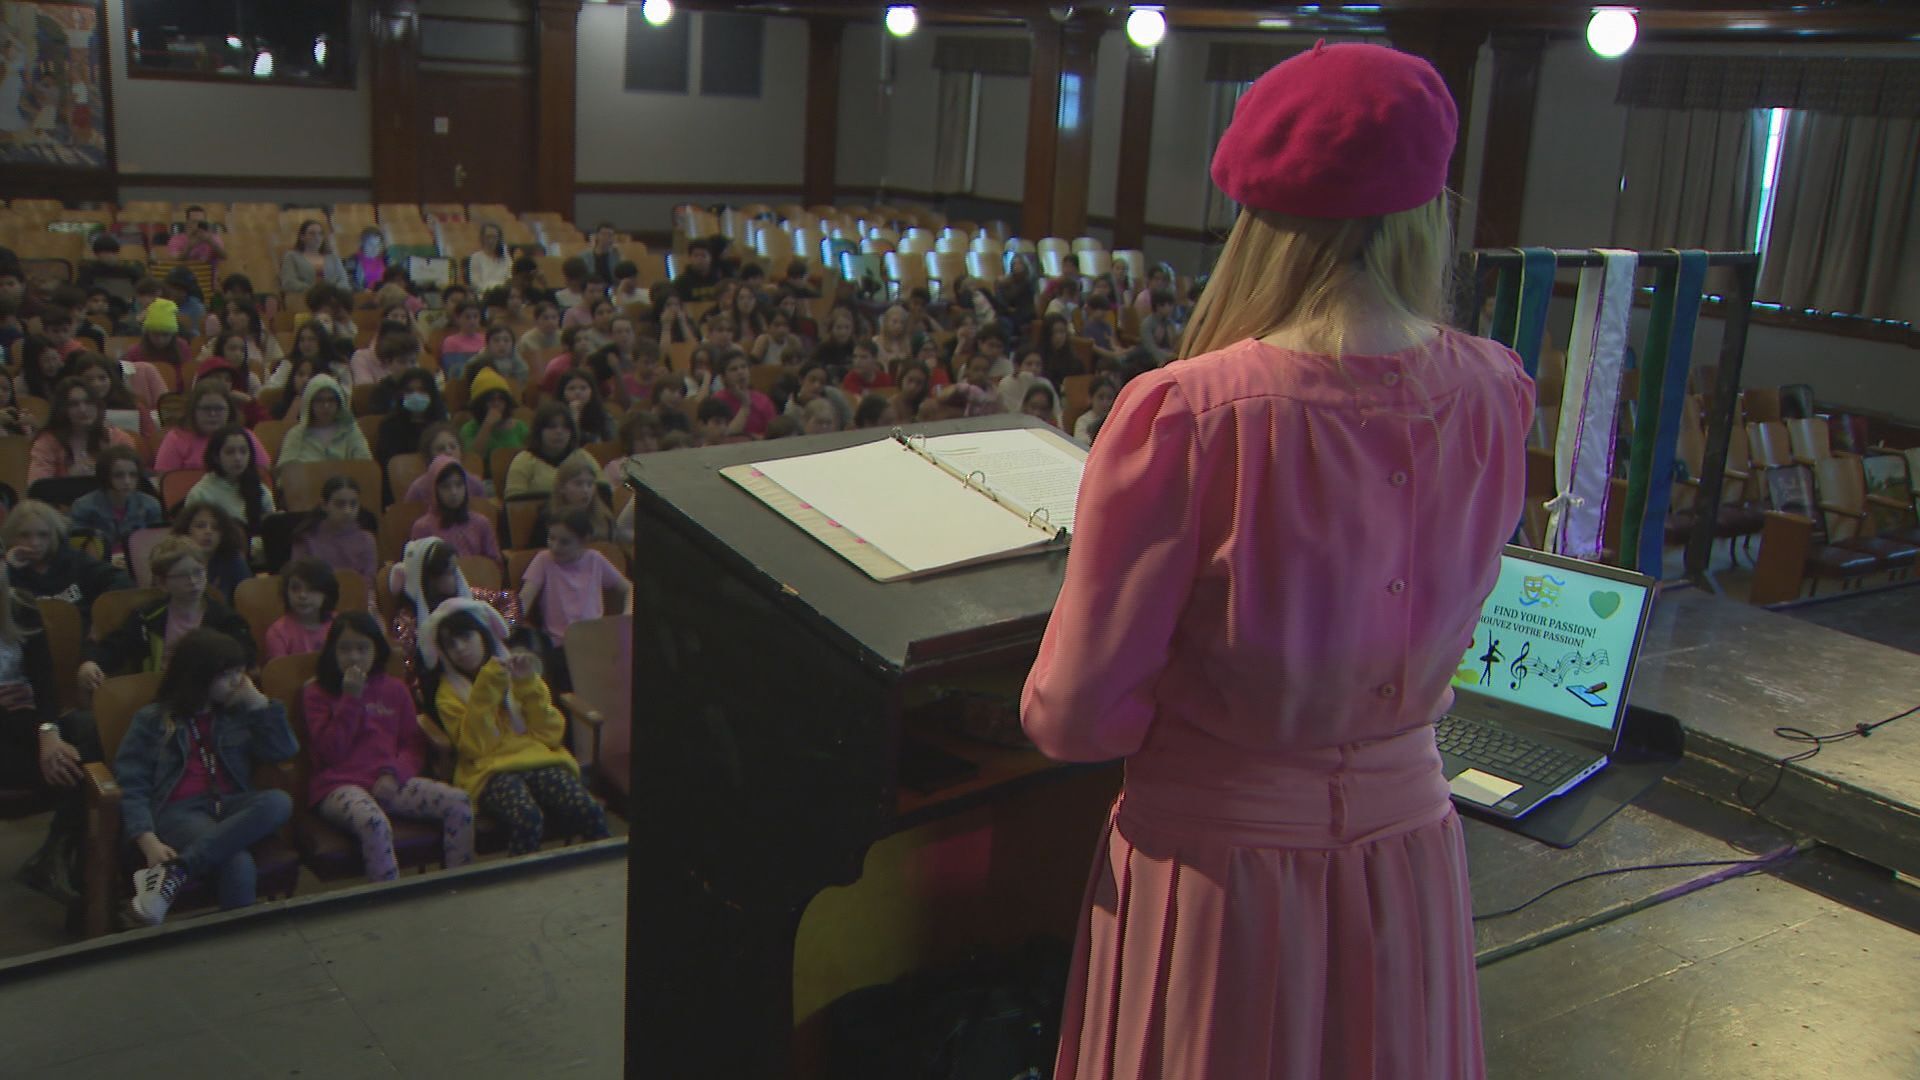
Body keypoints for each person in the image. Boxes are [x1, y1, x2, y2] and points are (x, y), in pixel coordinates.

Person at [1020, 44, 1532, 1079]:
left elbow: (1072, 717)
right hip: (1408, 853)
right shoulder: (1497, 391)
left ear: (1256, 218)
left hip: (1223, 876)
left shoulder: (1190, 415)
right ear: (1427, 209)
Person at [115, 628, 295, 925]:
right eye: (228, 675)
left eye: (240, 672)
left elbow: (283, 751)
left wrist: (260, 705)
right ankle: (240, 949)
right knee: (237, 862)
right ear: (199, 676)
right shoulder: (153, 719)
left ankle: (176, 871)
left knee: (279, 801)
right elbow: (132, 783)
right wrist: (147, 840)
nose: (238, 682)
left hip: (229, 803)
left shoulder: (238, 712)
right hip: (179, 811)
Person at [423, 600, 607, 856]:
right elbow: (475, 749)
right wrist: (487, 687)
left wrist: (528, 685)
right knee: (527, 818)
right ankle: (521, 889)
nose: (460, 649)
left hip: (537, 759)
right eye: (450, 645)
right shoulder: (448, 693)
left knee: (588, 810)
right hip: (490, 770)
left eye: (465, 637)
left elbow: (550, 734)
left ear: (483, 634)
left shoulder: (517, 668)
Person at [304, 612, 474, 881]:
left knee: (459, 803)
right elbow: (330, 752)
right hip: (338, 785)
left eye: (362, 649)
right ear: (332, 652)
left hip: (389, 779)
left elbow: (413, 744)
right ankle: (389, 901)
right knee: (374, 823)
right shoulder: (316, 693)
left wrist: (393, 773)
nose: (354, 657)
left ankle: (459, 886)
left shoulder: (394, 689)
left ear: (376, 651)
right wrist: (350, 698)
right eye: (345, 649)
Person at [0, 561, 95, 905]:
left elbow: (44, 682)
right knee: (79, 772)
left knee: (87, 731)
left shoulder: (20, 606)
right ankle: (60, 864)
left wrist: (49, 733)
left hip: (29, 720)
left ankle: (58, 850)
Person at [83, 537, 256, 691]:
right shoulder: (146, 618)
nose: (193, 582)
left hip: (212, 693)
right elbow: (115, 646)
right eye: (182, 576)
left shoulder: (225, 618)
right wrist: (92, 662)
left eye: (198, 572)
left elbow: (245, 654)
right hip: (160, 695)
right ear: (163, 583)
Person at [388, 539, 519, 704]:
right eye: (448, 573)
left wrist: (495, 628)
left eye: (454, 569)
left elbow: (509, 600)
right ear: (428, 579)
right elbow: (410, 673)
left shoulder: (467, 598)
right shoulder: (408, 619)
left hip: (489, 673)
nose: (456, 576)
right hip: (449, 692)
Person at [2, 499, 131, 618]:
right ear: (12, 536)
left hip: (82, 637)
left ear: (55, 535)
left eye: (43, 535)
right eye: (24, 535)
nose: (35, 543)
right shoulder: (7, 569)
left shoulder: (76, 561)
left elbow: (122, 580)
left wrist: (102, 617)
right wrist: (8, 568)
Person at [28, 376, 138, 484]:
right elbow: (37, 487)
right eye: (74, 404)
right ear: (62, 409)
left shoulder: (119, 439)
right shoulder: (47, 442)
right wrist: (70, 479)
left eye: (88, 402)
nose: (83, 410)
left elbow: (133, 482)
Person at [153, 383, 272, 474]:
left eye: (219, 409)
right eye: (206, 408)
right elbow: (167, 483)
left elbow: (264, 474)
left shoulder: (245, 436)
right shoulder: (175, 438)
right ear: (193, 411)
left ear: (229, 411)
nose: (213, 414)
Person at [69, 445, 164, 557]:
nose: (127, 481)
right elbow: (77, 550)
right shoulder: (83, 506)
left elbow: (157, 546)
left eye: (133, 475)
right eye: (119, 475)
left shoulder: (150, 505)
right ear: (105, 476)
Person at [185, 426, 275, 537]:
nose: (238, 458)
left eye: (243, 451)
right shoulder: (200, 494)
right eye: (230, 452)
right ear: (215, 457)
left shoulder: (260, 489)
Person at [410, 454, 501, 561]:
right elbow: (418, 569)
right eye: (445, 486)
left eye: (459, 484)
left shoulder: (481, 523)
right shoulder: (422, 528)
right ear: (434, 490)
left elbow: (495, 565)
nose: (454, 492)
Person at [505, 403, 600, 499]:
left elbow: (604, 492)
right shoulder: (524, 460)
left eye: (565, 427)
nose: (559, 431)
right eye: (551, 426)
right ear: (539, 431)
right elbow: (513, 504)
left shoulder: (583, 457)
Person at [291, 475, 377, 582]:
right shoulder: (306, 539)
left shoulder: (366, 539)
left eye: (353, 504)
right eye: (340, 504)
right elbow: (300, 582)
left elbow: (369, 583)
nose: (347, 511)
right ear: (324, 505)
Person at [276, 374, 372, 469]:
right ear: (310, 403)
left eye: (331, 400)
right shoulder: (296, 435)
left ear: (339, 403)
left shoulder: (351, 430)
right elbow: (284, 474)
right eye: (319, 400)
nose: (326, 406)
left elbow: (365, 466)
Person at [171, 501, 254, 605]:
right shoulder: (173, 560)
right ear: (186, 530)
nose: (208, 532)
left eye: (215, 528)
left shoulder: (233, 561)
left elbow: (250, 601)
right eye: (200, 526)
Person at [262, 556, 338, 662]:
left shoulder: (339, 624)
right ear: (286, 592)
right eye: (295, 588)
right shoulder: (277, 633)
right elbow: (279, 675)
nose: (302, 595)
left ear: (327, 593)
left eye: (312, 589)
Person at [528, 459, 614, 549]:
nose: (586, 490)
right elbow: (535, 553)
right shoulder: (547, 517)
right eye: (578, 484)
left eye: (590, 484)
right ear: (562, 488)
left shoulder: (604, 517)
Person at [374, 368, 447, 464]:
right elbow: (387, 464)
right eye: (409, 391)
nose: (416, 395)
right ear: (401, 394)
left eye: (422, 390)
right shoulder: (389, 426)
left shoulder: (442, 425)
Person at [280, 219, 349, 292]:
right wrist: (315, 291)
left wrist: (332, 291)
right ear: (302, 237)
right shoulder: (291, 256)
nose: (317, 237)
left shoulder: (333, 257)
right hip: (304, 298)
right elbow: (289, 283)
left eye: (320, 233)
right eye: (312, 233)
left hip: (334, 298)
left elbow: (343, 281)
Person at [556, 369, 615, 444]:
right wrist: (573, 419)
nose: (578, 392)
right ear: (562, 393)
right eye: (571, 388)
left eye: (583, 388)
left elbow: (609, 444)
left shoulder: (603, 415)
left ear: (592, 391)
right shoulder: (554, 416)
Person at [437, 302, 487, 382]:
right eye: (467, 317)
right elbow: (452, 371)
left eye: (475, 316)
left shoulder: (486, 339)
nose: (472, 321)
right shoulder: (450, 342)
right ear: (457, 318)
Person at [466, 223, 511, 295]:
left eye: (494, 237)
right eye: (488, 237)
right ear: (482, 238)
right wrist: (490, 292)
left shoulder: (505, 256)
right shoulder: (476, 257)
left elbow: (509, 277)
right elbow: (475, 283)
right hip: (484, 294)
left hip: (503, 294)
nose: (491, 240)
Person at [1072, 375, 1119, 444]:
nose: (1105, 403)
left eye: (1109, 398)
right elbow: (1082, 444)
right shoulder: (1083, 421)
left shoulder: (1118, 419)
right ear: (1091, 398)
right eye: (1100, 397)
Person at [347, 227, 394, 292]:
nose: (374, 249)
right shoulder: (353, 259)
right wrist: (362, 291)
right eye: (370, 245)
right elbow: (349, 281)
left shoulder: (386, 258)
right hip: (363, 296)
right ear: (363, 244)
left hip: (384, 294)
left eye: (378, 245)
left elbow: (393, 278)